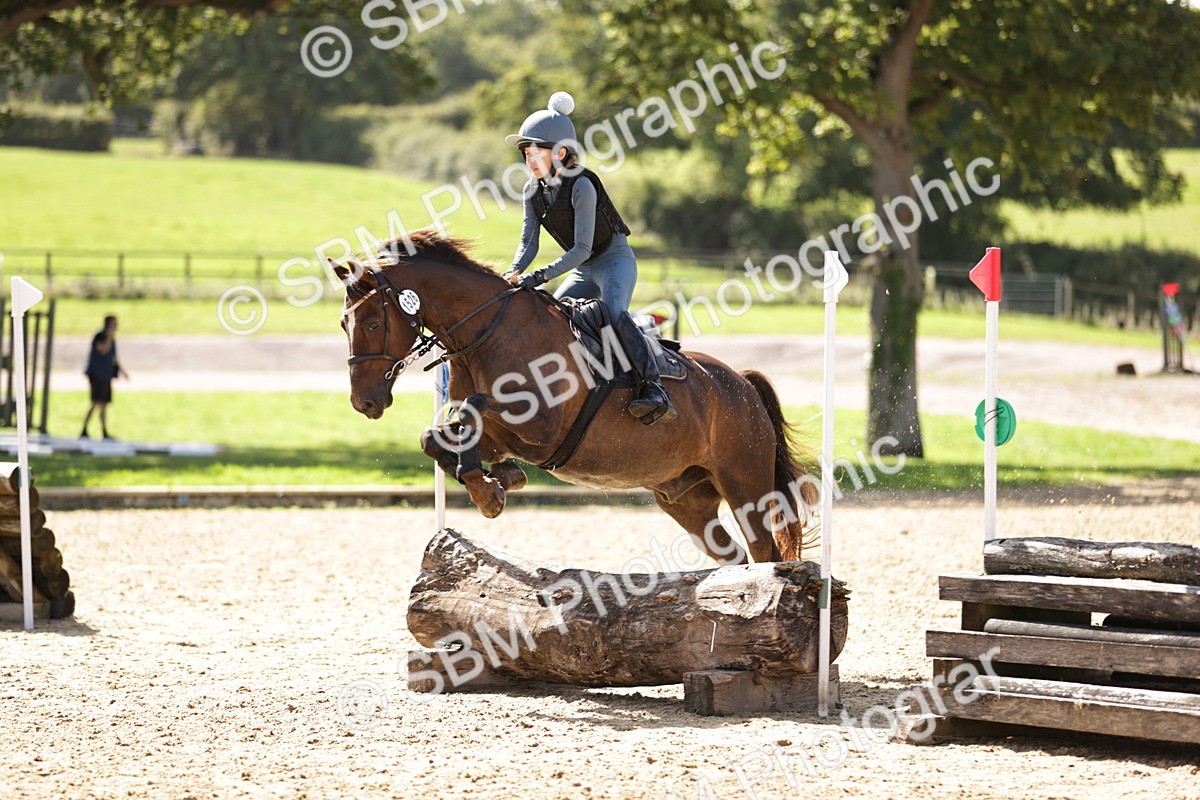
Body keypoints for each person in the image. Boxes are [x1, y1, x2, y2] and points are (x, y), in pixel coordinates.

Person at [503, 92, 676, 425]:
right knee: (552, 318)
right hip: (584, 269)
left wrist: (540, 276)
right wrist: (513, 272)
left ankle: (653, 387)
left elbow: (582, 248)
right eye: (526, 154)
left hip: (613, 260)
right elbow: (528, 242)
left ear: (560, 153)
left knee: (613, 313)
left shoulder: (582, 185)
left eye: (536, 153)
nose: (529, 160)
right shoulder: (531, 191)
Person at [81, 315, 128, 439]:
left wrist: (122, 371)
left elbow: (113, 357)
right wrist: (109, 336)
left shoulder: (112, 339)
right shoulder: (101, 336)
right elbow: (103, 350)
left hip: (106, 374)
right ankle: (84, 429)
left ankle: (104, 432)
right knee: (95, 402)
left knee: (104, 404)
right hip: (97, 374)